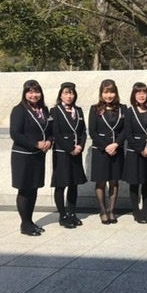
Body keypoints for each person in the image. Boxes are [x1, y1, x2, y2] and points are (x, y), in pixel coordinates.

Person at [9, 80, 52, 236]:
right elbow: (15, 134)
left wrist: (49, 141)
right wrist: (35, 143)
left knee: (33, 189)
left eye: (36, 92)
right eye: (30, 92)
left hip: (38, 156)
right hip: (23, 156)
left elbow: (50, 130)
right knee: (24, 189)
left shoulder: (44, 110)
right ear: (25, 93)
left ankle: (30, 220)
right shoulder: (19, 110)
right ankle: (25, 224)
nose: (34, 95)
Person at [50, 82, 87, 229]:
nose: (69, 96)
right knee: (61, 184)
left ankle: (72, 213)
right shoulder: (55, 111)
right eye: (66, 93)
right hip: (62, 153)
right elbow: (55, 133)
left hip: (76, 152)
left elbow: (83, 131)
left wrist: (80, 146)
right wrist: (70, 148)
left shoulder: (78, 110)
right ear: (60, 95)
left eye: (71, 93)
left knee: (73, 184)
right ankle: (62, 215)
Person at [88, 79, 126, 225]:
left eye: (111, 92)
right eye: (105, 92)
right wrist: (106, 147)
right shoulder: (95, 109)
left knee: (114, 181)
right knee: (101, 181)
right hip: (101, 151)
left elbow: (126, 129)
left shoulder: (123, 108)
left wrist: (116, 144)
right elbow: (92, 131)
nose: (109, 95)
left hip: (116, 150)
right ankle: (103, 211)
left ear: (116, 93)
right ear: (101, 93)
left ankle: (111, 210)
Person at [122, 82, 147, 224]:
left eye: (144, 92)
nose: (141, 95)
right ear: (134, 95)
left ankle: (146, 210)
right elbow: (128, 134)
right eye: (138, 93)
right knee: (135, 182)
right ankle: (136, 211)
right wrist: (141, 149)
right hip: (135, 152)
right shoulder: (129, 111)